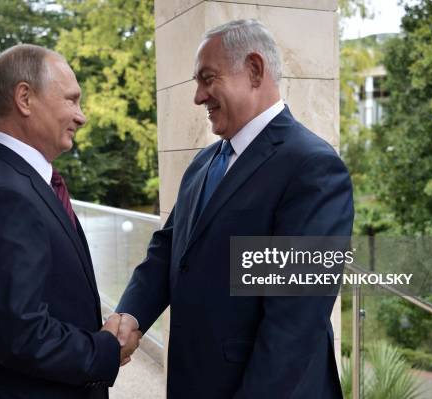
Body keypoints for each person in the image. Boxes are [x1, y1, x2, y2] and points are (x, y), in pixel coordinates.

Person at [115, 19, 353, 398]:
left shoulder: (312, 168)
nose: (197, 96)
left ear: (255, 70)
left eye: (208, 79)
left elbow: (293, 325)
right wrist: (130, 313)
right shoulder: (205, 161)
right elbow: (169, 249)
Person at [0, 44, 141, 399]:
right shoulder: (2, 194)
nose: (81, 116)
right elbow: (22, 337)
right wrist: (104, 350)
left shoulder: (16, 179)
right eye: (71, 100)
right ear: (25, 98)